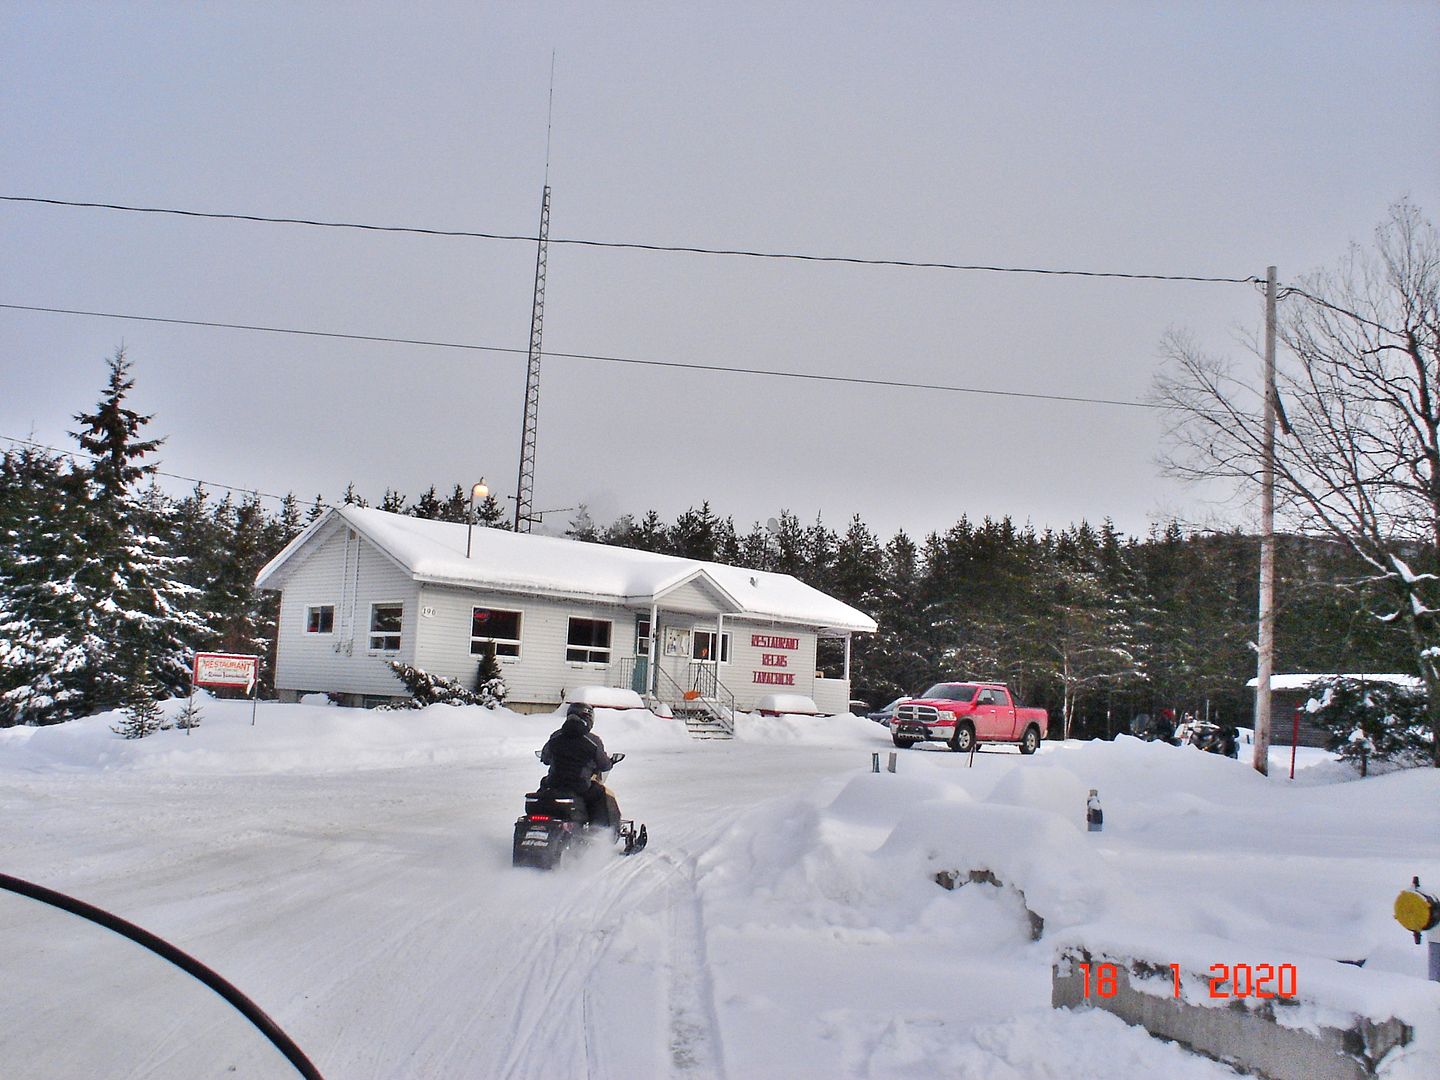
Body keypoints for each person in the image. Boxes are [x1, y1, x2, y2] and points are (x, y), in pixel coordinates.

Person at [540, 702, 619, 829]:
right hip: (579, 786)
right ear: (589, 718)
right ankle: (599, 831)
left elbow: (545, 758)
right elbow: (604, 764)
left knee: (543, 785)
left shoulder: (555, 736)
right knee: (600, 794)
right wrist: (609, 763)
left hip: (554, 783)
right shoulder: (593, 741)